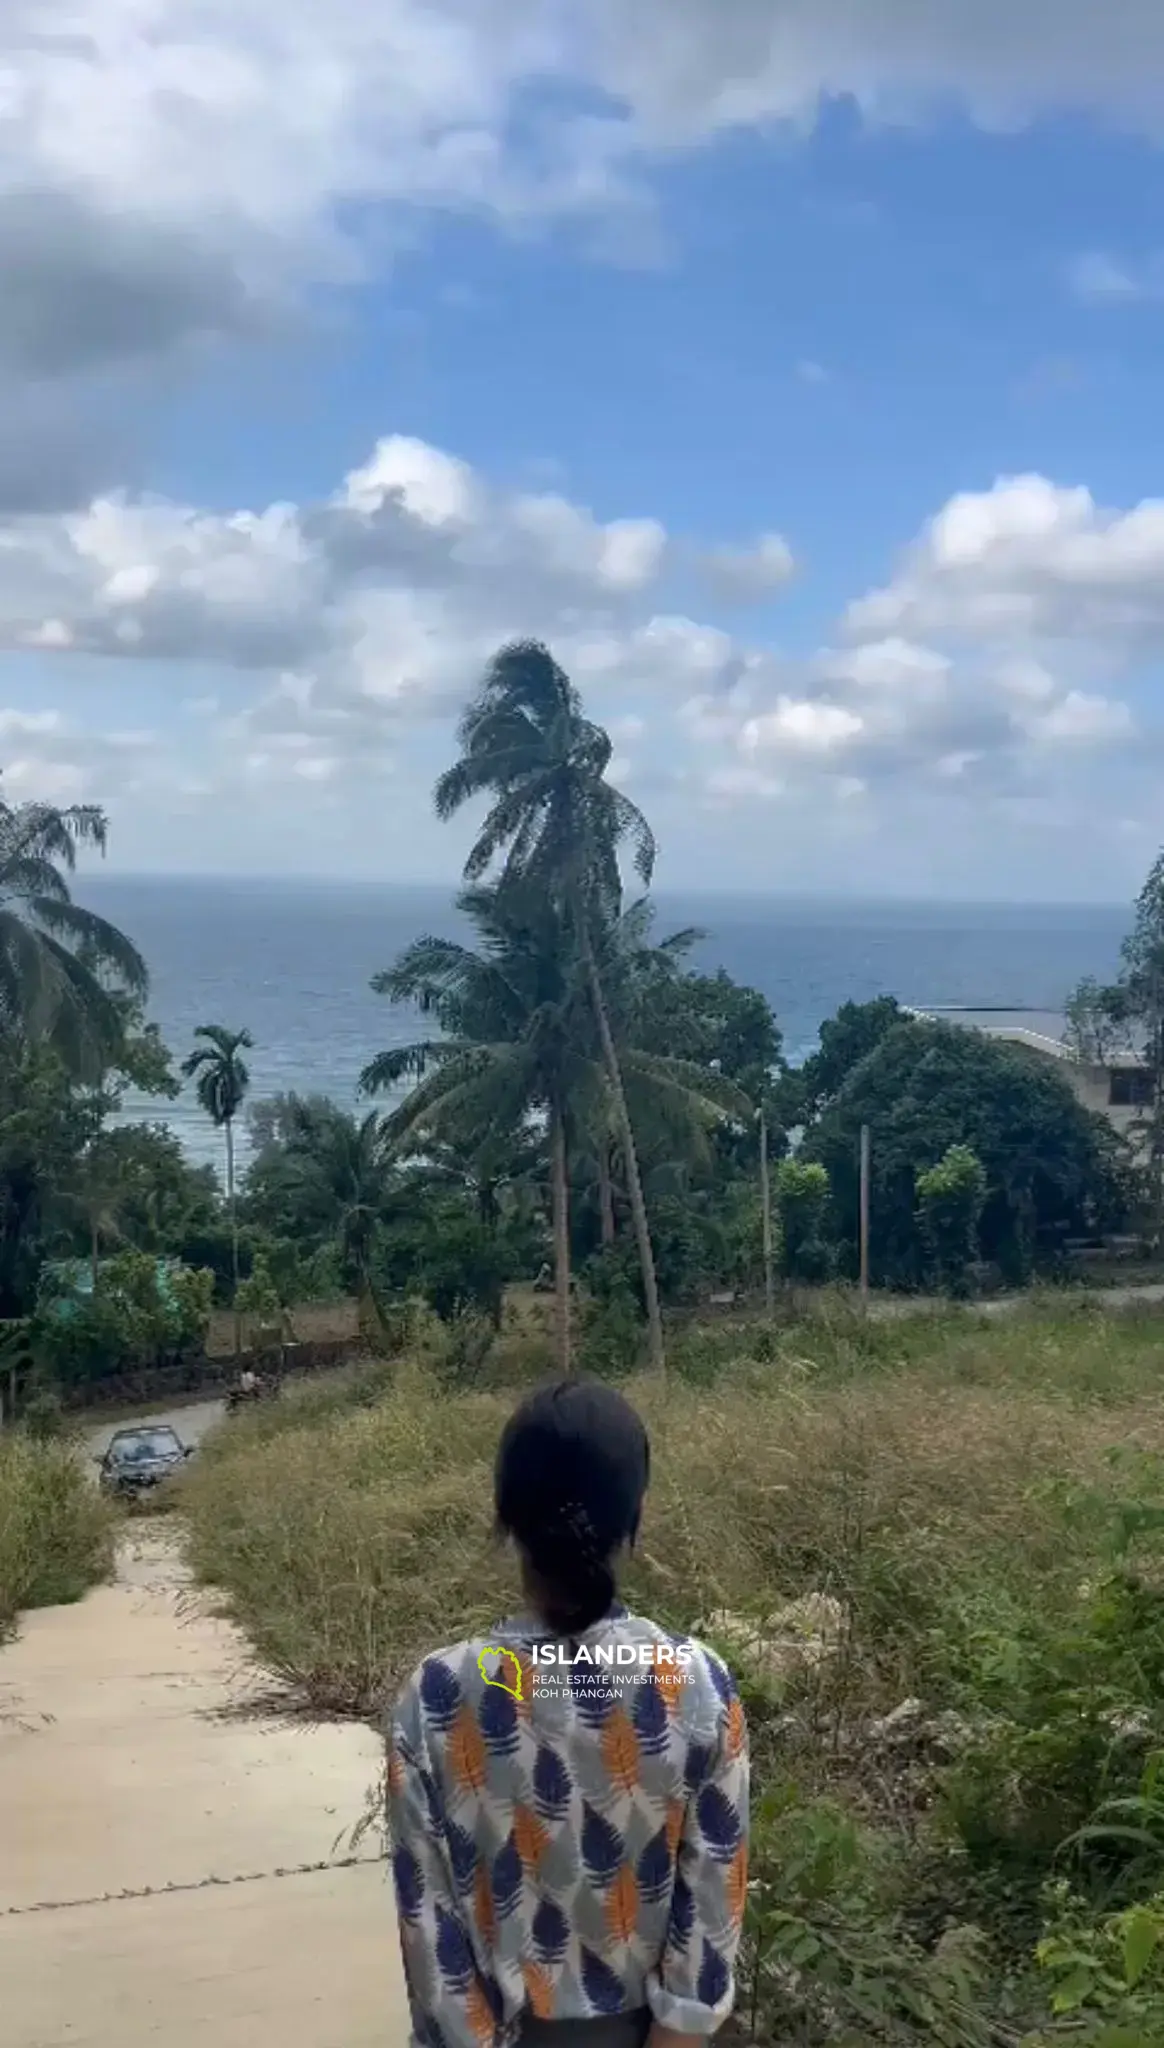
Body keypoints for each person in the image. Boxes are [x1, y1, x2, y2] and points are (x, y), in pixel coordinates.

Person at [387, 1381, 749, 2048]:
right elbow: (708, 1921)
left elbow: (431, 1938)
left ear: (505, 1516)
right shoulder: (695, 1684)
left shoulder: (435, 1697)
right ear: (635, 1513)